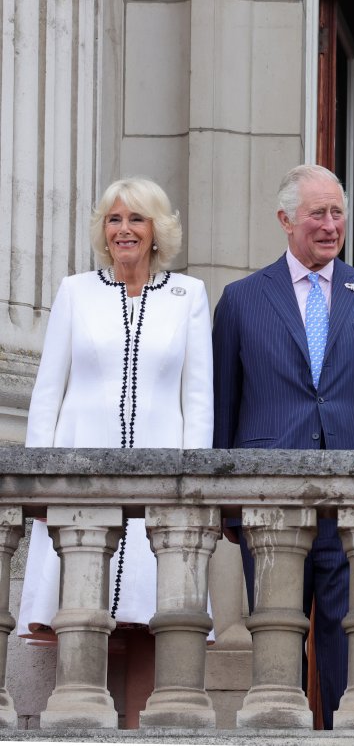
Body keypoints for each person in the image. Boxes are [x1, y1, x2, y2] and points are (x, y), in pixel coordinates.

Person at [212, 164, 354, 729]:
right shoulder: (241, 300)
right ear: (285, 220)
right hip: (271, 506)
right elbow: (223, 410)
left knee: (351, 655)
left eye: (337, 213)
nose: (330, 225)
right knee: (277, 651)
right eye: (317, 214)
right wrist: (226, 505)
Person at [20, 177, 213, 728]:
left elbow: (197, 399)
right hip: (80, 484)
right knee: (79, 617)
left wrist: (194, 489)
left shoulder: (188, 296)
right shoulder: (76, 291)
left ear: (157, 231)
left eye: (136, 219)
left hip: (160, 488)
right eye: (114, 219)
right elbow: (47, 394)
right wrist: (39, 481)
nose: (124, 230)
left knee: (154, 620)